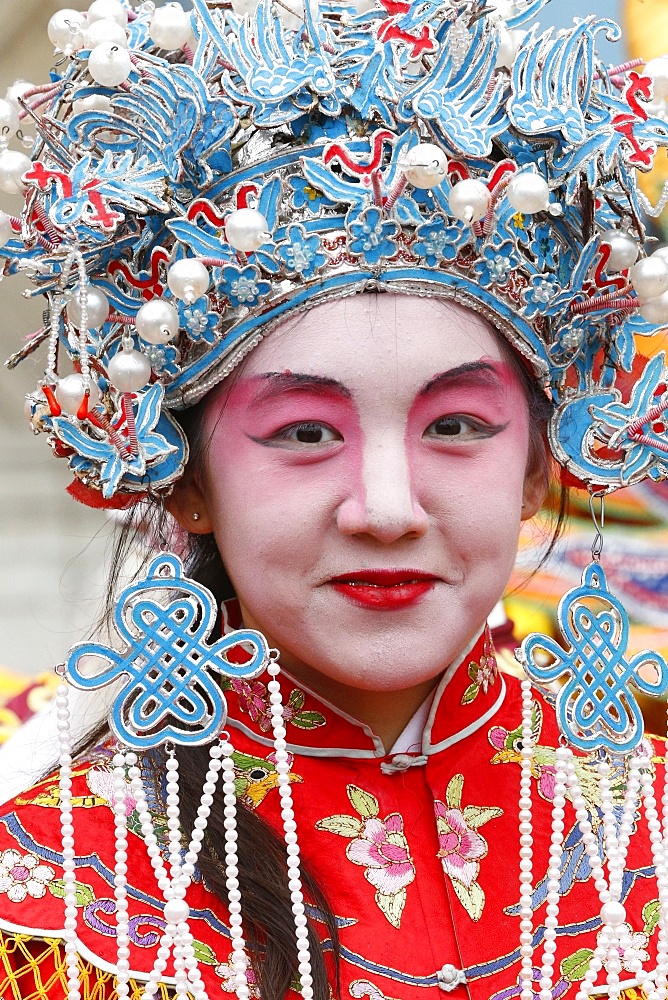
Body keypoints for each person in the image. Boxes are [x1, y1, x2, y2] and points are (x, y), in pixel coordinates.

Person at [1, 1, 668, 999]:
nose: (387, 508)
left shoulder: (645, 827)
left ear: (539, 465)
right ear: (183, 479)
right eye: (305, 434)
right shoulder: (50, 884)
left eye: (456, 426)